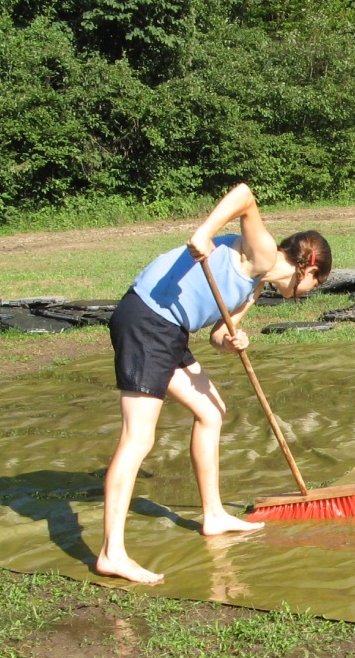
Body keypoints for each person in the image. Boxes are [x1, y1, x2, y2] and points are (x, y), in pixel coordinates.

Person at [95, 183, 332, 584]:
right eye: (316, 284)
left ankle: (214, 515)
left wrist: (234, 339)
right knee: (138, 438)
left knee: (212, 411)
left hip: (171, 331)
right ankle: (111, 553)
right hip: (147, 320)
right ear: (308, 269)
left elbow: (220, 336)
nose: (309, 292)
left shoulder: (254, 286)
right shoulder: (263, 251)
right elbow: (245, 195)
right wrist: (205, 232)